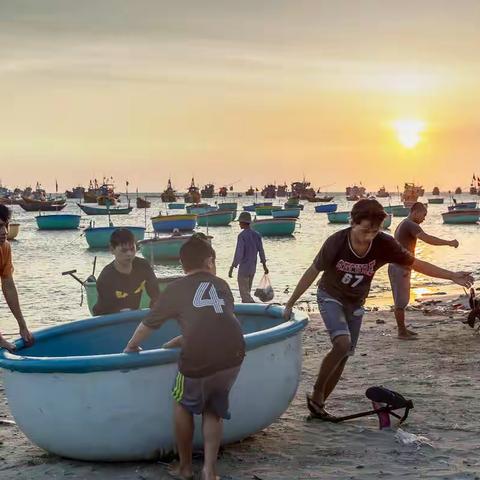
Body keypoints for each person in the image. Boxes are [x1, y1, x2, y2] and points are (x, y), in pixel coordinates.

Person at [283, 199, 473, 420]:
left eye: (374, 231)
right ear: (352, 222)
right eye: (364, 230)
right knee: (341, 343)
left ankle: (319, 405)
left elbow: (415, 263)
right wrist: (289, 303)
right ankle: (316, 391)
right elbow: (312, 271)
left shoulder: (384, 243)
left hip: (356, 302)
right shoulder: (336, 242)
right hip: (330, 296)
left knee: (345, 354)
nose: (369, 236)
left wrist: (451, 275)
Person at [124, 235, 245, 480]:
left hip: (199, 358)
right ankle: (210, 470)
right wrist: (177, 341)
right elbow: (216, 323)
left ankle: (185, 467)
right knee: (213, 408)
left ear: (182, 265)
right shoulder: (222, 284)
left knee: (181, 402)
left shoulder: (176, 288)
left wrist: (131, 346)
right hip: (233, 353)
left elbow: (149, 324)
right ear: (209, 261)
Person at [389, 202, 459, 339]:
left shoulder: (403, 223)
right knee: (401, 302)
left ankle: (402, 329)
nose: (424, 218)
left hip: (398, 266)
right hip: (399, 267)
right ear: (416, 212)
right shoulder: (411, 225)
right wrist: (449, 242)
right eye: (424, 215)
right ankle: (402, 332)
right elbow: (427, 239)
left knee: (402, 301)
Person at [93, 228, 160, 315]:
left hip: (132, 316)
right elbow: (106, 311)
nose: (129, 254)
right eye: (124, 250)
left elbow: (156, 295)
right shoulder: (106, 278)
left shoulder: (143, 266)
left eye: (132, 249)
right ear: (112, 249)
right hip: (105, 319)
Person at [0, 205, 34, 352]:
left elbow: (8, 287)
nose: (5, 232)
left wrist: (22, 325)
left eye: (6, 225)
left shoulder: (5, 248)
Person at [229, 211, 268, 303]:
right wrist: (265, 266)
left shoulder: (241, 236)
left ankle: (253, 308)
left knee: (245, 295)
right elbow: (261, 251)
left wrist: (232, 267)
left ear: (243, 222)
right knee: (247, 292)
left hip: (244, 269)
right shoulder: (257, 235)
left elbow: (239, 253)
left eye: (239, 222)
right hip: (252, 269)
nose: (239, 224)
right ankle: (249, 308)